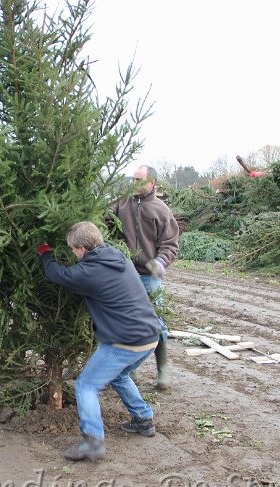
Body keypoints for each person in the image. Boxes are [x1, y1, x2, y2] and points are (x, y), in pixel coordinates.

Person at [37, 221, 162, 461]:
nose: (73, 254)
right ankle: (143, 419)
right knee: (118, 376)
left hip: (125, 341)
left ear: (82, 249)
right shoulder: (117, 256)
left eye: (73, 249)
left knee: (86, 385)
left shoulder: (89, 273)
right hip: (149, 336)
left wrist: (46, 253)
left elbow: (58, 275)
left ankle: (93, 442)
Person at [111, 165, 179, 390]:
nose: (134, 184)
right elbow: (105, 225)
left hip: (149, 277)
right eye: (133, 180)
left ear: (152, 183)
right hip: (125, 276)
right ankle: (131, 372)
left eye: (139, 180)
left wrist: (159, 263)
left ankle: (163, 373)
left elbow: (170, 245)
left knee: (157, 323)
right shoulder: (121, 204)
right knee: (127, 323)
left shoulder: (161, 210)